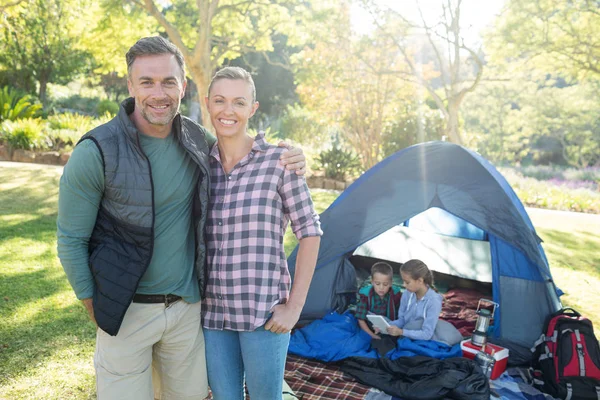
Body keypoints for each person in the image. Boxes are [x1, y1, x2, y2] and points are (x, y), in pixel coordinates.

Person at [56, 36, 306, 400]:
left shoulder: (197, 139)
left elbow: (242, 145)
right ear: (130, 85)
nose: (159, 93)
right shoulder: (97, 151)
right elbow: (70, 240)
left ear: (183, 86)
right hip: (126, 312)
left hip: (189, 313)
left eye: (168, 81)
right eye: (147, 82)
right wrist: (95, 306)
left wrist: (292, 154)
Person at [201, 66, 322, 400]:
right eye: (220, 101)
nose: (228, 111)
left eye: (239, 102)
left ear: (252, 109)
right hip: (212, 315)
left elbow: (310, 232)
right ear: (207, 104)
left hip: (263, 315)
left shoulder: (280, 162)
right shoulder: (200, 165)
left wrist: (295, 307)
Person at [387, 259, 462, 346]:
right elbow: (402, 319)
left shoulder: (433, 301)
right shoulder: (407, 294)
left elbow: (427, 334)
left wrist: (401, 332)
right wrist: (387, 326)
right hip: (406, 333)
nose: (403, 285)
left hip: (424, 340)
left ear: (420, 281)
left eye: (407, 282)